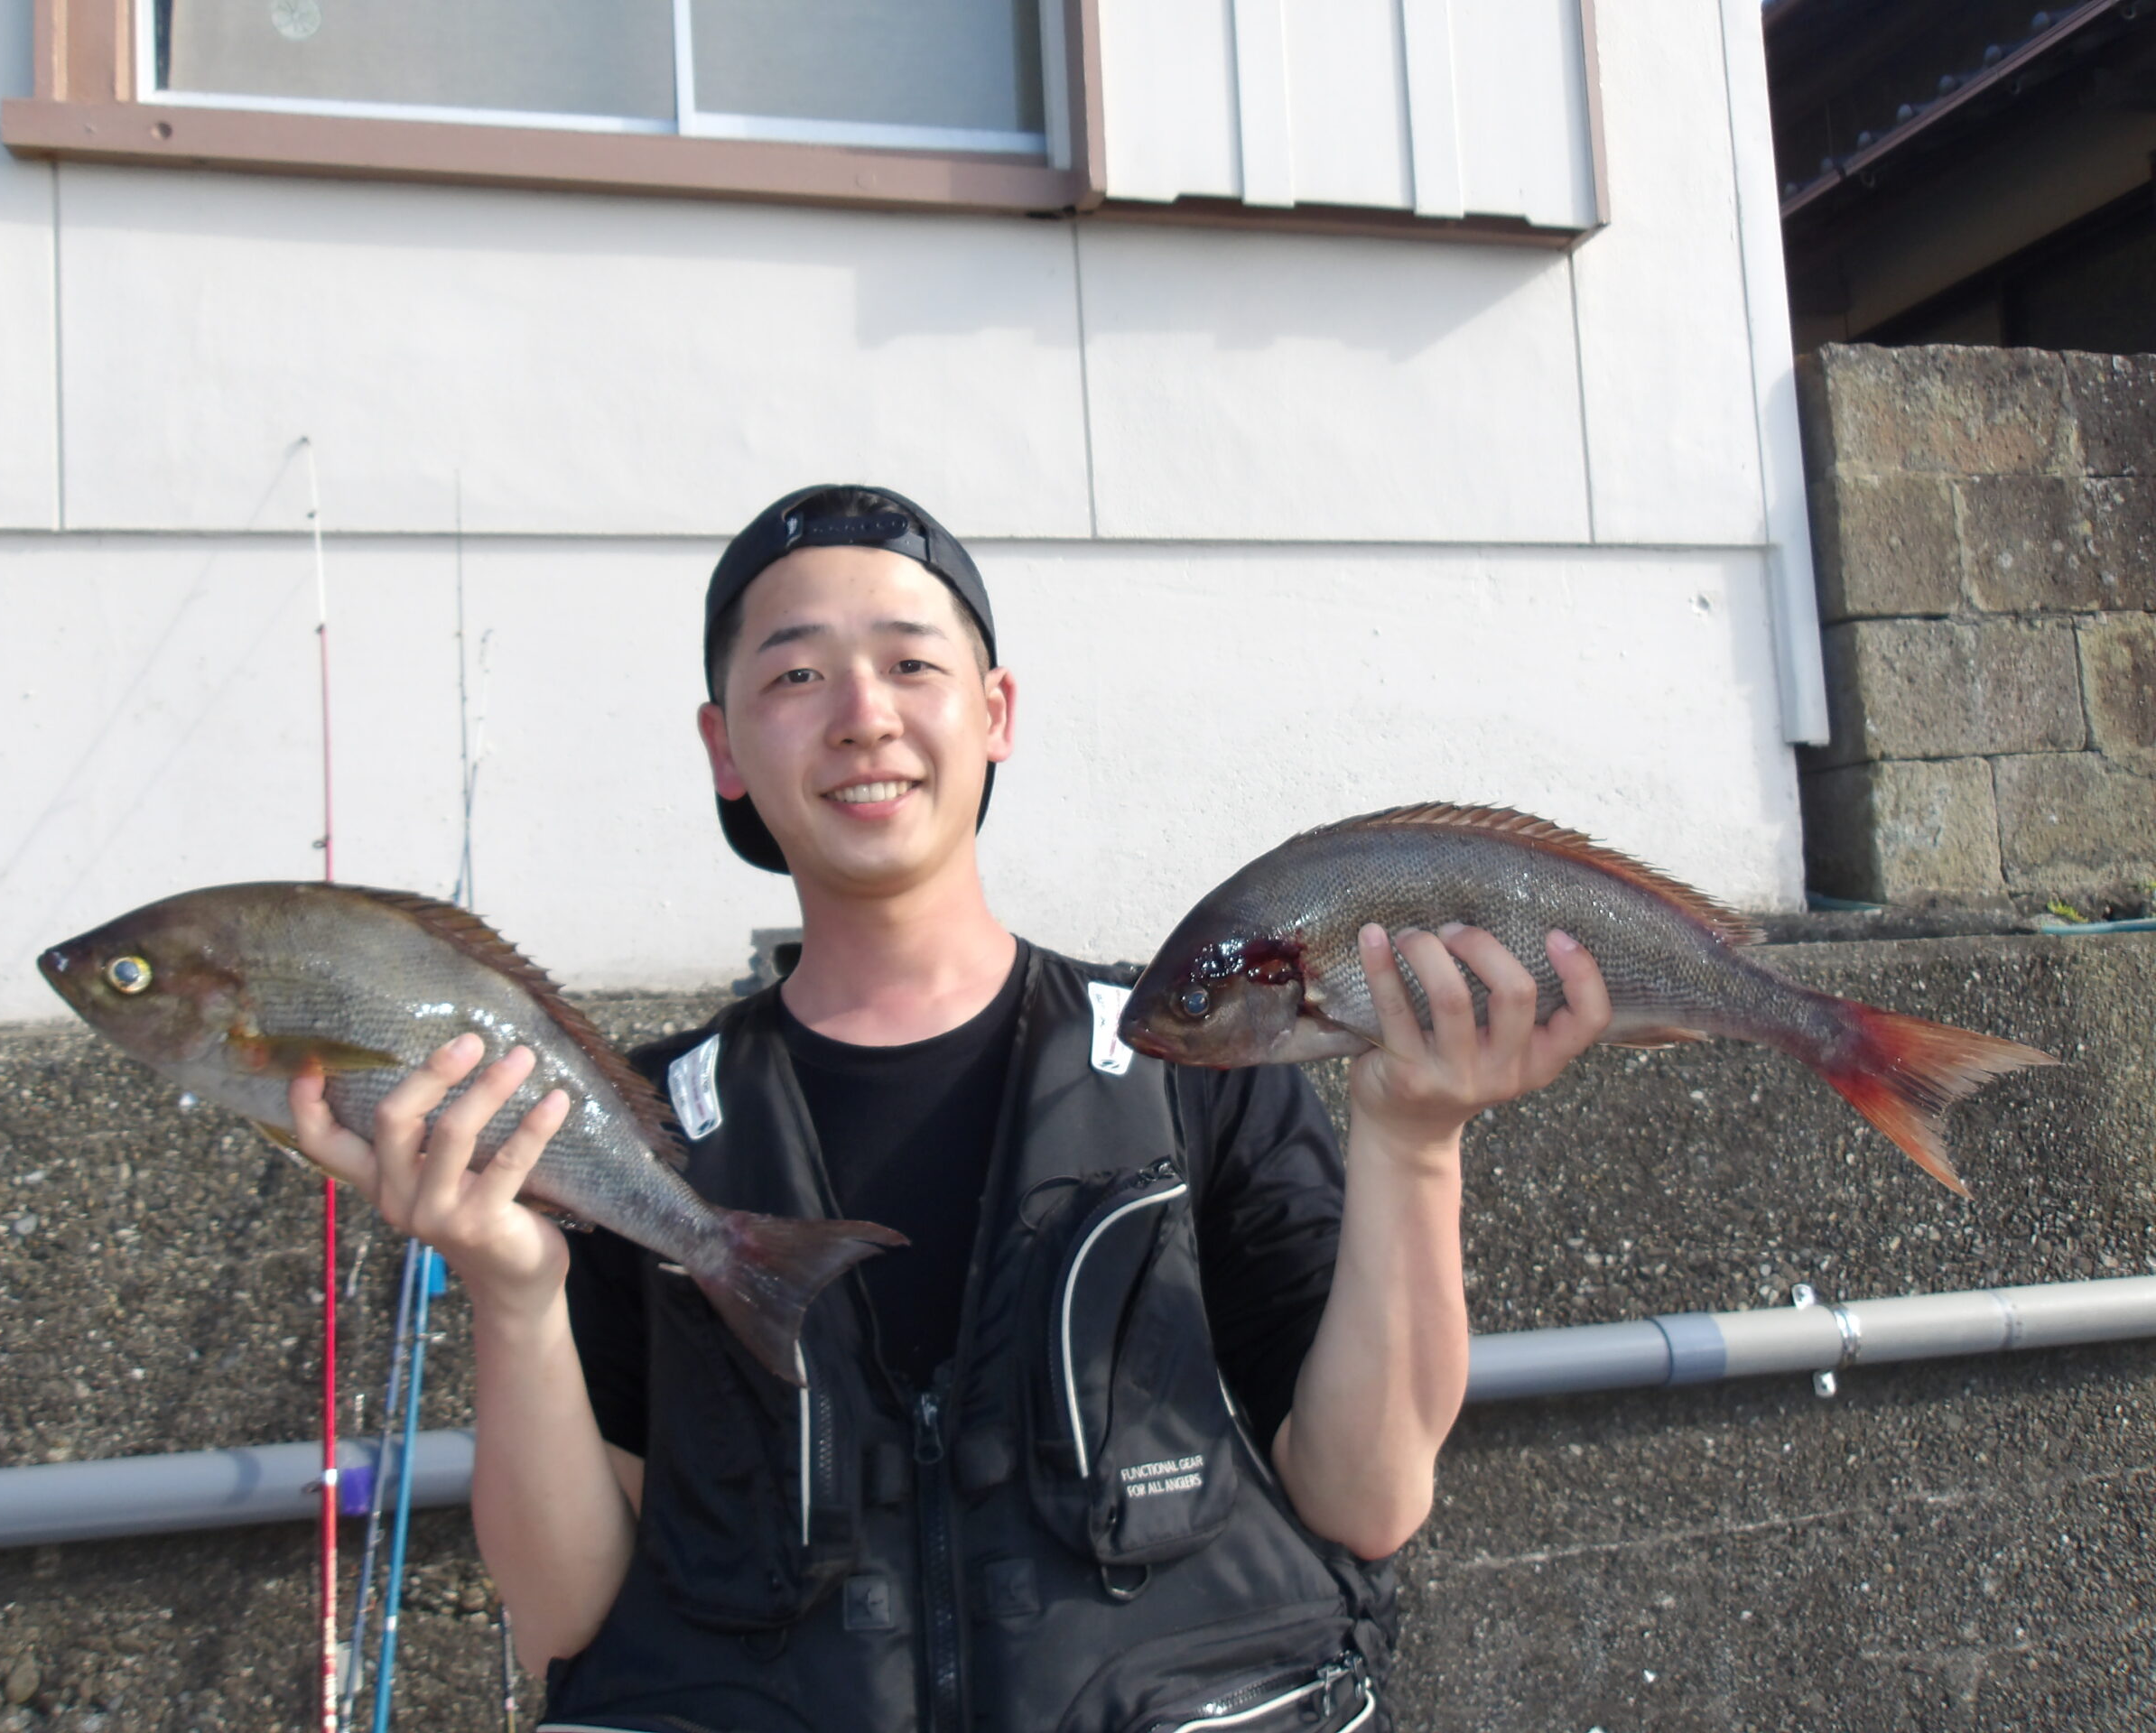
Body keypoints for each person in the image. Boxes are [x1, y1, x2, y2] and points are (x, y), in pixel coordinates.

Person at [290, 484, 1612, 1732]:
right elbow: (569, 1614)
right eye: (796, 675)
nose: (862, 714)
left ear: (996, 712)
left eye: (912, 665)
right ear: (725, 748)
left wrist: (1415, 1142)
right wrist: (510, 1290)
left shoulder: (1196, 1069)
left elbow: (1369, 1498)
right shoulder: (637, 1130)